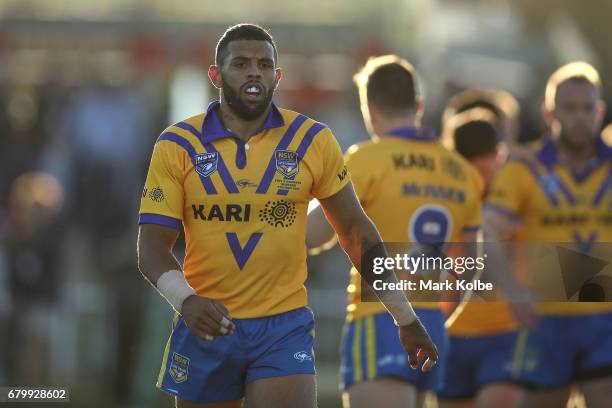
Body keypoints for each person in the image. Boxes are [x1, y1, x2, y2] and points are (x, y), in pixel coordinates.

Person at [136, 24, 438, 408]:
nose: (254, 72)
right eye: (241, 63)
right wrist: (187, 301)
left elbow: (355, 231)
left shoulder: (313, 139)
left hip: (283, 326)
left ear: (277, 76)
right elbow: (151, 248)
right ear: (216, 75)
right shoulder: (177, 144)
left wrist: (405, 318)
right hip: (208, 321)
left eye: (264, 64)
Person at [306, 55, 483, 408]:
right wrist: (437, 314)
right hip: (433, 321)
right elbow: (469, 264)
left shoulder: (366, 160)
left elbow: (312, 235)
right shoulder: (463, 173)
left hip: (381, 319)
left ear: (369, 108)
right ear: (419, 105)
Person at [484, 61, 612, 407]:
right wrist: (512, 291)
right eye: (569, 108)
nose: (580, 117)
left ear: (600, 111)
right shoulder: (524, 166)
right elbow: (488, 234)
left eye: (587, 108)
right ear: (549, 112)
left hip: (605, 321)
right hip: (546, 319)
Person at [437, 106, 527, 408]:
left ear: (500, 157)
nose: (479, 181)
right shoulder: (444, 201)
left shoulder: (517, 197)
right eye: (471, 173)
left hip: (504, 334)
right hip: (452, 338)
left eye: (485, 172)